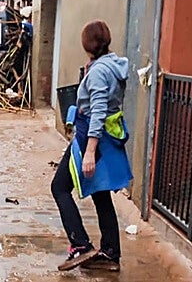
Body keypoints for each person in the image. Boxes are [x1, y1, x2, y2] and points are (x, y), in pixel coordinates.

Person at [51, 19, 133, 272]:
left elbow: (98, 111)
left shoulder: (99, 71)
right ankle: (110, 253)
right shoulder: (110, 65)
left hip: (92, 138)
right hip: (102, 137)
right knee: (100, 194)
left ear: (87, 44)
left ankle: (81, 244)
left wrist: (89, 152)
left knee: (60, 187)